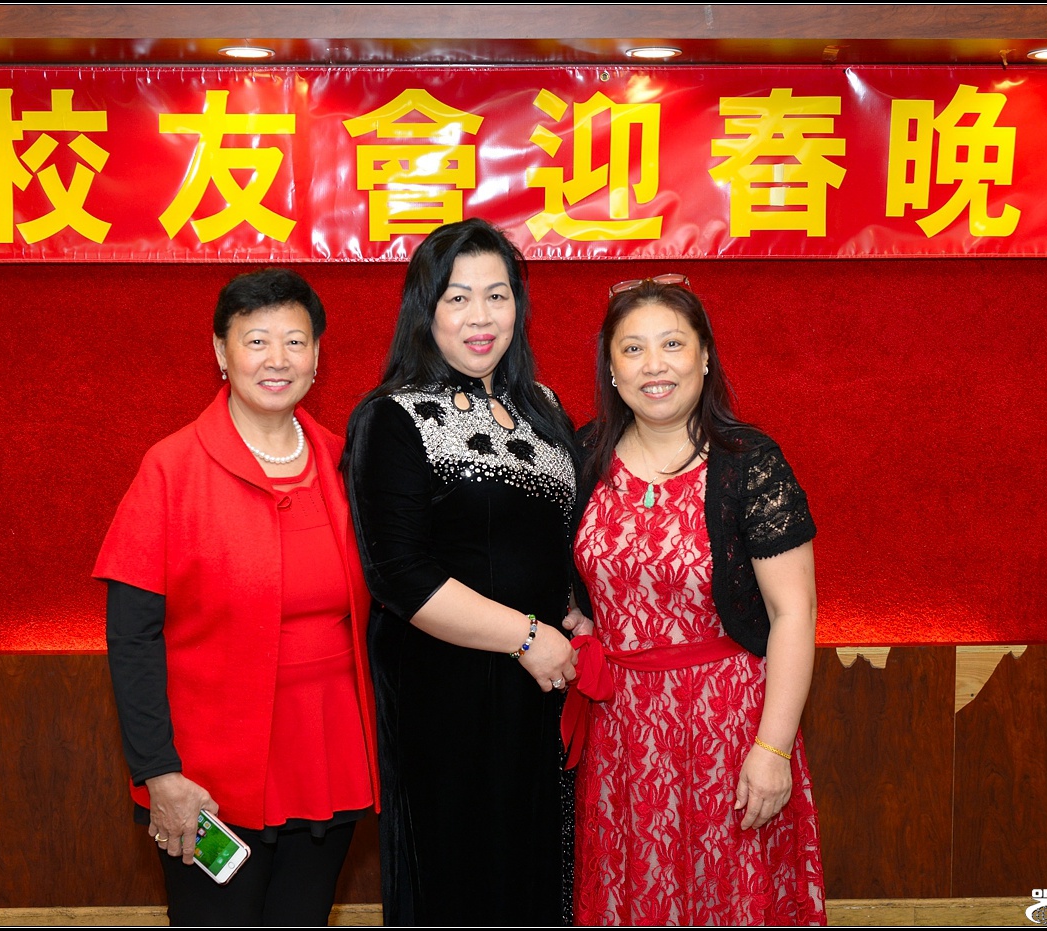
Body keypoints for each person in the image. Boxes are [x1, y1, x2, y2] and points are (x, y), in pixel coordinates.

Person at [93, 269, 378, 926]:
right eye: (256, 340)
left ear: (317, 356)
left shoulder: (347, 464)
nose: (277, 359)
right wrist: (158, 772)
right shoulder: (171, 468)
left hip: (329, 753)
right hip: (206, 775)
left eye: (295, 341)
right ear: (221, 352)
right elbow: (131, 635)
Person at [565, 275, 826, 926]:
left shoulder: (749, 462)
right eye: (633, 349)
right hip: (621, 735)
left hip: (727, 731)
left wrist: (772, 749)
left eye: (673, 344)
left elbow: (794, 613)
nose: (654, 365)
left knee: (726, 897)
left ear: (704, 357)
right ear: (611, 368)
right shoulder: (583, 455)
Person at [343, 218, 581, 926]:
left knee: (537, 875)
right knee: (460, 879)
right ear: (426, 308)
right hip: (444, 690)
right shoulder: (391, 417)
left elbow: (561, 534)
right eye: (458, 297)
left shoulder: (543, 408)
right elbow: (398, 574)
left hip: (542, 688)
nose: (481, 317)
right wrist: (527, 636)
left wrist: (575, 607)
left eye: (497, 296)